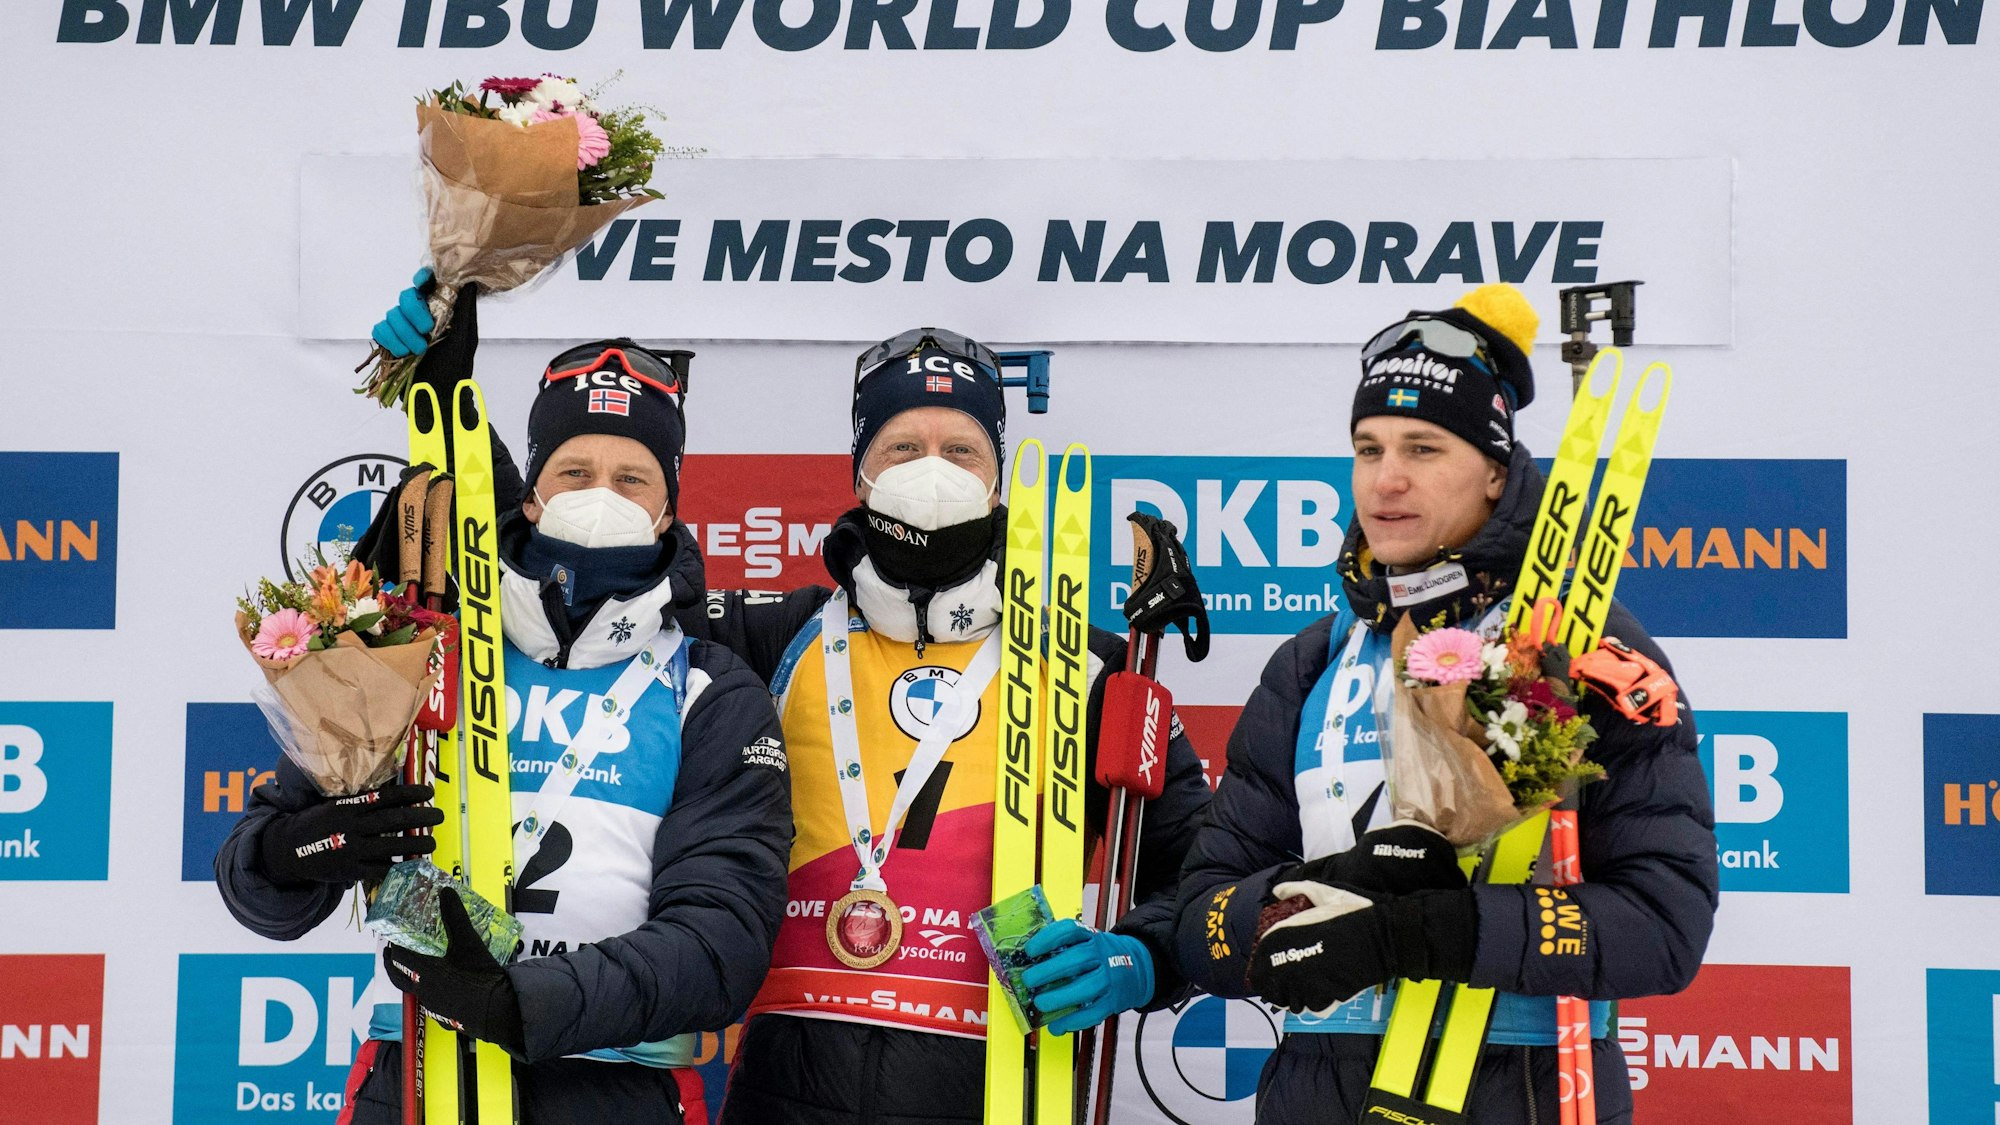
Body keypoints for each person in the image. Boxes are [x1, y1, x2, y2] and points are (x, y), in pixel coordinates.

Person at [216, 289, 792, 1125]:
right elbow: (252, 880)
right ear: (531, 495)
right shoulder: (423, 645)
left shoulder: (710, 689)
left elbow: (719, 943)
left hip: (612, 1089)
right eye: (575, 471)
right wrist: (293, 849)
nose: (603, 492)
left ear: (669, 507)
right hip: (414, 1072)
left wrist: (516, 1000)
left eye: (633, 477)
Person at [1172, 285, 1718, 1124]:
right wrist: (1315, 895)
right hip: (1319, 1090)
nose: (1386, 478)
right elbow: (1203, 911)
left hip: (1522, 1090)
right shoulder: (1311, 663)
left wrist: (1428, 932)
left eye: (1424, 448)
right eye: (1368, 447)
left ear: (1496, 472)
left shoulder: (1581, 645)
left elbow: (1663, 924)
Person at [678, 328, 1216, 1125]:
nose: (931, 469)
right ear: (858, 474)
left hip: (995, 1078)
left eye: (960, 449)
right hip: (787, 1080)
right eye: (901, 447)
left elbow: (1206, 872)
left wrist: (1141, 955)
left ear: (997, 478)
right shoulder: (771, 637)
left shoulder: (1086, 665)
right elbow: (592, 612)